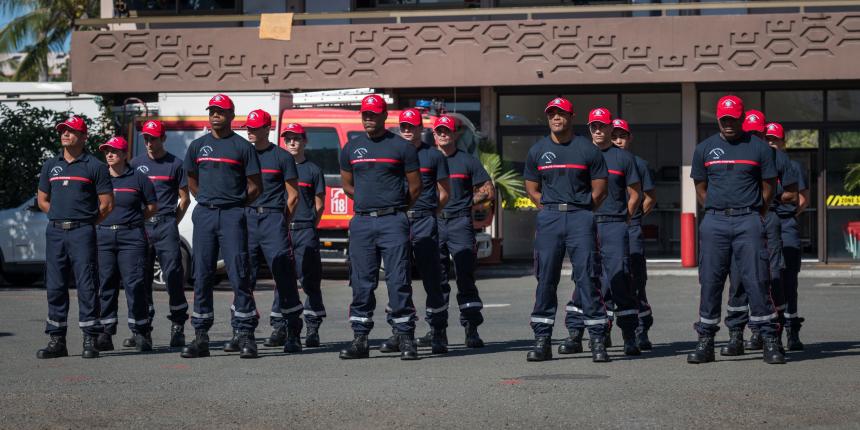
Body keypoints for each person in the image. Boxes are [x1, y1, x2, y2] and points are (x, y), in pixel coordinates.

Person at [687, 95, 784, 365]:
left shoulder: (759, 148)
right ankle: (705, 341)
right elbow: (700, 188)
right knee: (710, 281)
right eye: (724, 118)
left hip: (748, 221)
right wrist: (718, 209)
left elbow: (769, 186)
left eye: (734, 118)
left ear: (742, 118)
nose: (729, 123)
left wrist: (755, 212)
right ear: (718, 118)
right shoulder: (704, 149)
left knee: (757, 280)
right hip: (715, 222)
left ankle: (770, 340)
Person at [523, 97, 609, 362]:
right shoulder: (538, 150)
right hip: (549, 219)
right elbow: (531, 187)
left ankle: (597, 341)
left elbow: (600, 188)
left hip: (580, 218)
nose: (556, 118)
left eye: (561, 114)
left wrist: (581, 210)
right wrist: (549, 208)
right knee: (545, 279)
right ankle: (542, 340)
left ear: (571, 117)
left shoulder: (587, 149)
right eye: (552, 115)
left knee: (587, 278)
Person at [338, 94, 422, 361]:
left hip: (393, 221)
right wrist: (367, 202)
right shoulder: (351, 148)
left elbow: (416, 186)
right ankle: (360, 339)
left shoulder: (402, 148)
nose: (368, 118)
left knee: (398, 280)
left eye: (373, 114)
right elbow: (348, 185)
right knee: (362, 283)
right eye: (365, 114)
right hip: (362, 222)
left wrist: (394, 206)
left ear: (385, 116)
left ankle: (406, 338)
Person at [180, 94, 262, 359]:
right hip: (205, 214)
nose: (215, 115)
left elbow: (255, 186)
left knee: (239, 274)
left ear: (231, 115)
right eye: (212, 111)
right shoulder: (197, 146)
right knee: (202, 274)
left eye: (221, 111)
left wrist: (235, 203)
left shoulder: (242, 147)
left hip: (232, 216)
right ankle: (201, 336)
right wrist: (204, 199)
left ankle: (246, 335)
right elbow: (191, 178)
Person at [36, 115, 113, 359]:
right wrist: (59, 216)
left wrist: (85, 222)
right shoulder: (50, 165)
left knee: (87, 284)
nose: (65, 134)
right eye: (62, 131)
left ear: (83, 136)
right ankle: (57, 340)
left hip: (82, 231)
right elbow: (42, 200)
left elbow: (107, 204)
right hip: (55, 231)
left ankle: (90, 339)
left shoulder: (95, 166)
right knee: (55, 285)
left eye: (70, 131)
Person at [567, 108, 642, 357]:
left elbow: (635, 195)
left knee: (620, 279)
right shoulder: (579, 154)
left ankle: (630, 336)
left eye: (602, 126)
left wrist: (624, 220)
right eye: (593, 126)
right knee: (583, 279)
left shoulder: (623, 158)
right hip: (585, 222)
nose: (598, 131)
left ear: (611, 128)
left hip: (614, 224)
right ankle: (575, 334)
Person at [722, 110, 797, 356]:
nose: (756, 136)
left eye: (759, 133)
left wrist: (766, 199)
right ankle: (736, 335)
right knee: (739, 277)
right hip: (740, 219)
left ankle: (772, 333)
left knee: (772, 276)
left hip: (768, 218)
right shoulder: (735, 153)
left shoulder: (777, 157)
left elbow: (792, 193)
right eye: (751, 132)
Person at [381, 108, 450, 355]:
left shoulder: (433, 156)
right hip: (397, 221)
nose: (408, 131)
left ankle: (438, 332)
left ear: (422, 128)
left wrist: (430, 213)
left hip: (423, 221)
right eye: (404, 127)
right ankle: (399, 332)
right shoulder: (394, 154)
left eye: (412, 126)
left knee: (433, 279)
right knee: (397, 277)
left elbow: (444, 192)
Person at [237, 109, 304, 354]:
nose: (250, 131)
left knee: (284, 276)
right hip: (248, 218)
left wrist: (280, 220)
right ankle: (242, 333)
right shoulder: (243, 155)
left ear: (268, 128)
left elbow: (293, 195)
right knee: (244, 276)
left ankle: (293, 332)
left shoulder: (282, 157)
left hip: (273, 218)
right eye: (248, 128)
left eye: (255, 128)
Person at [434, 115, 495, 350]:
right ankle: (437, 331)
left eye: (447, 131)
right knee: (436, 280)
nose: (443, 135)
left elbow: (487, 191)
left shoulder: (467, 161)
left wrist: (465, 202)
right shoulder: (428, 160)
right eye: (439, 131)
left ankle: (471, 329)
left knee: (465, 278)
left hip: (460, 224)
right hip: (435, 224)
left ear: (455, 134)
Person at [130, 119, 191, 349]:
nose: (148, 142)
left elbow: (184, 199)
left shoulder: (175, 164)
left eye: (153, 138)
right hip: (142, 226)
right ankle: (143, 329)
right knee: (141, 277)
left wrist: (171, 222)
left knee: (174, 274)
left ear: (163, 138)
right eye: (145, 137)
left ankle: (178, 327)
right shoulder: (135, 164)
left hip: (165, 224)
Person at [95, 136, 158, 352]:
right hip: (103, 237)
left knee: (135, 285)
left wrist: (134, 219)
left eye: (114, 151)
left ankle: (141, 331)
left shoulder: (139, 178)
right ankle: (106, 332)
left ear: (124, 155)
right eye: (107, 151)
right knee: (106, 285)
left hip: (131, 237)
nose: (109, 154)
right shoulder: (99, 178)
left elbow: (151, 206)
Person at [611, 118, 657, 350]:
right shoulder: (600, 161)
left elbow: (648, 198)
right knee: (608, 279)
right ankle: (605, 330)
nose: (618, 140)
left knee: (636, 280)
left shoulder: (638, 163)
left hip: (630, 228)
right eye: (614, 135)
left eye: (622, 136)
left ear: (630, 138)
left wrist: (632, 217)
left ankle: (641, 330)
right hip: (607, 227)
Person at [282, 122, 327, 347]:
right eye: (288, 138)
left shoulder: (313, 170)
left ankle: (312, 327)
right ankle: (281, 327)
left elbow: (319, 205)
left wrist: (308, 225)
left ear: (304, 141)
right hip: (282, 231)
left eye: (296, 138)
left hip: (304, 230)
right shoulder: (279, 166)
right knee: (283, 278)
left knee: (310, 280)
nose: (292, 142)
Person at [765, 122, 809, 350]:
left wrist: (790, 214)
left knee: (789, 279)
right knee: (769, 279)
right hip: (765, 224)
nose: (771, 142)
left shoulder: (793, 166)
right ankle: (764, 330)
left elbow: (802, 198)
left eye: (775, 139)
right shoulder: (760, 165)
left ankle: (792, 330)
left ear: (783, 142)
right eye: (768, 138)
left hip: (786, 224)